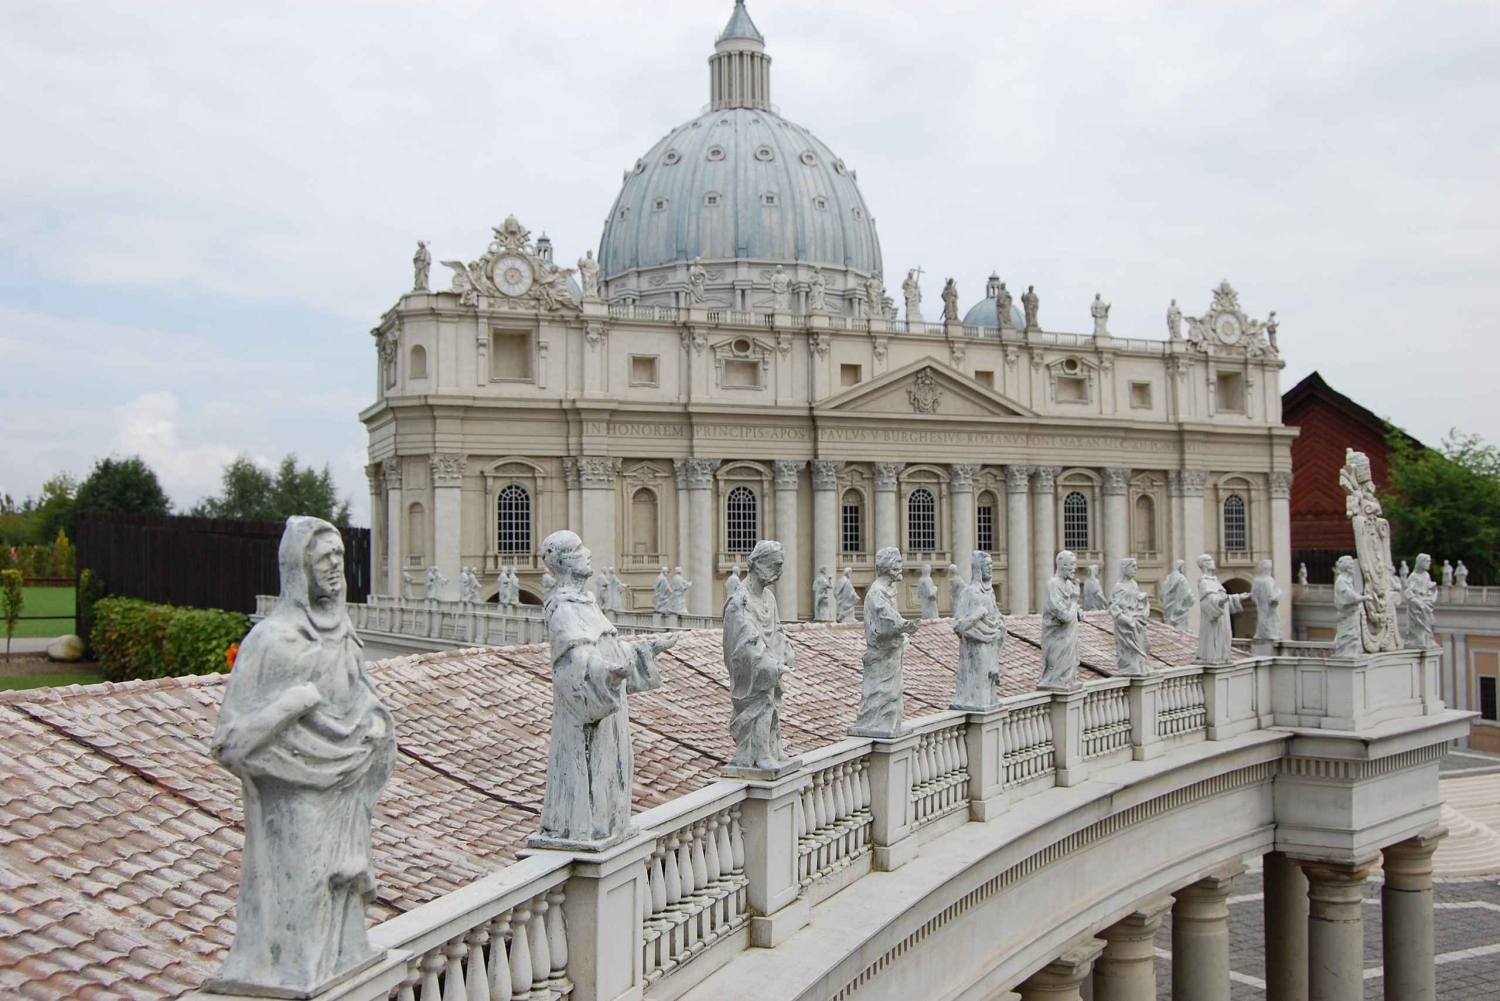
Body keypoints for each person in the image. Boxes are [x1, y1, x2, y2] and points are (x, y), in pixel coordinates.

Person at [208, 518, 395, 996]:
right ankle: (298, 974)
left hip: (346, 788)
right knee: (302, 893)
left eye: (339, 556)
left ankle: (339, 958)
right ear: (298, 567)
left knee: (344, 882)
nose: (334, 566)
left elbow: (364, 697)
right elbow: (229, 741)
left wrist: (375, 723)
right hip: (294, 795)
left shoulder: (344, 634)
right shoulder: (271, 640)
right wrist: (292, 704)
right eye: (322, 558)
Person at [533, 531, 677, 847]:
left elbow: (608, 649)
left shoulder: (587, 602)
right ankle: (588, 826)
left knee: (612, 767)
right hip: (588, 714)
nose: (588, 553)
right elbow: (573, 662)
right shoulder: (561, 608)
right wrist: (607, 672)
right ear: (565, 561)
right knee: (591, 770)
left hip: (609, 709)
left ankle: (608, 823)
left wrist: (646, 649)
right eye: (579, 549)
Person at [721, 541, 799, 775]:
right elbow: (744, 639)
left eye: (781, 566)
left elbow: (776, 629)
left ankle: (773, 747)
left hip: (771, 663)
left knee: (774, 703)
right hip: (751, 669)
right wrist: (765, 663)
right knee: (762, 703)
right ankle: (760, 754)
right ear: (756, 564)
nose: (779, 572)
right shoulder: (739, 601)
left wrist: (786, 649)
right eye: (775, 565)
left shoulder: (769, 598)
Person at [851, 548, 921, 736]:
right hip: (881, 655)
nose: (901, 566)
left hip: (890, 654)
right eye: (898, 562)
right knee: (879, 694)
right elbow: (886, 618)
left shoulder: (887, 591)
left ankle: (887, 724)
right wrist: (905, 625)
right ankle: (875, 724)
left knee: (891, 694)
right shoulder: (877, 592)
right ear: (888, 566)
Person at [952, 550, 1005, 710]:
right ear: (978, 569)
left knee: (990, 680)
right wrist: (978, 614)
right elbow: (958, 625)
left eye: (991, 565)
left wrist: (1000, 624)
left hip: (991, 645)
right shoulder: (968, 592)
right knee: (979, 683)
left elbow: (996, 616)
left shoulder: (990, 592)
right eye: (986, 565)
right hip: (976, 648)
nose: (990, 568)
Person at [1038, 550, 1084, 688]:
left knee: (1067, 674)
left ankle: (1068, 680)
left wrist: (1078, 612)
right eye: (1072, 564)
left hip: (1069, 639)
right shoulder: (1053, 585)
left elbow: (1071, 611)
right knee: (1057, 674)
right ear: (1062, 565)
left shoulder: (1069, 585)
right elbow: (1065, 617)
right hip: (1057, 639)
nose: (1075, 567)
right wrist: (1074, 601)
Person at [1195, 554, 1244, 664]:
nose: (1214, 562)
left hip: (1223, 617)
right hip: (1214, 618)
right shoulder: (1204, 582)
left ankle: (1222, 656)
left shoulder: (1215, 581)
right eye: (1210, 560)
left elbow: (1223, 597)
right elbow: (1207, 601)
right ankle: (1213, 656)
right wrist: (1219, 602)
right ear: (1204, 564)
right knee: (1214, 638)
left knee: (1224, 637)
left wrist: (1238, 597)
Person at [1109, 557, 1151, 675]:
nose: (1136, 568)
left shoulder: (1134, 584)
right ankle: (1132, 667)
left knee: (1146, 645)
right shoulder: (1118, 587)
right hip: (1126, 626)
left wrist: (1143, 598)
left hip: (1137, 622)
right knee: (1131, 649)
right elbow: (1113, 608)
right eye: (1133, 566)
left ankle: (1142, 665)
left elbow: (1138, 601)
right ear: (1125, 568)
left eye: (1136, 566)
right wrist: (1127, 619)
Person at [1332, 555, 1365, 658]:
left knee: (1353, 636)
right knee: (1347, 637)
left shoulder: (1347, 580)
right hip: (1347, 615)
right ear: (1346, 567)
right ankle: (1346, 654)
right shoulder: (1341, 581)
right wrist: (1365, 597)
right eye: (1351, 565)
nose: (1353, 567)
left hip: (1352, 614)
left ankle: (1351, 653)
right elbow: (1350, 597)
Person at [1403, 553, 1437, 649]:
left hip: (1426, 603)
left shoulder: (1427, 575)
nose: (1429, 563)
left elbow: (1428, 588)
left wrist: (1432, 588)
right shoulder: (1413, 576)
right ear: (1421, 562)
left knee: (1432, 623)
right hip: (1417, 605)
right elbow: (1408, 591)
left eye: (1429, 561)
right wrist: (1415, 601)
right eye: (1427, 561)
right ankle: (1419, 640)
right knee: (1421, 626)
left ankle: (1428, 639)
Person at [1250, 559, 1283, 641]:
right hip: (1270, 606)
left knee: (1262, 618)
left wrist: (1258, 600)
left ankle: (1262, 634)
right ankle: (1270, 634)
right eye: (1269, 568)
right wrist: (1279, 593)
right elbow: (1271, 596)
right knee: (1273, 619)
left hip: (1261, 605)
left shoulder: (1256, 580)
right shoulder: (1269, 580)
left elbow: (1253, 596)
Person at [1159, 558, 1194, 630]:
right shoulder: (1181, 578)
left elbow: (1162, 592)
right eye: (1183, 567)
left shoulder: (1169, 577)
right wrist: (1191, 599)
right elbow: (1186, 593)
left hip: (1169, 607)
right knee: (1180, 627)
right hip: (1179, 608)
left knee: (1171, 625)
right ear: (1181, 567)